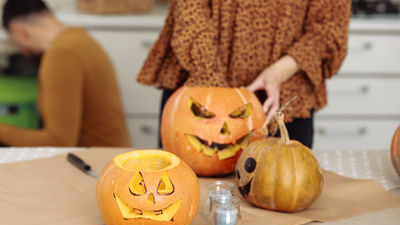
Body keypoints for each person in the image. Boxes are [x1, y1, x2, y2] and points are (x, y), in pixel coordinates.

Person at [137, 0, 351, 149]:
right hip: (199, 85)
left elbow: (330, 27)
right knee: (183, 197)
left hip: (282, 99)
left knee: (280, 196)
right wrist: (217, 93)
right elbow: (191, 12)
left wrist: (277, 73)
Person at [0, 0, 130, 147]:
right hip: (110, 154)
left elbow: (58, 142)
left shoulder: (62, 54)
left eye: (16, 41)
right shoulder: (80, 38)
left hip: (95, 162)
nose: (21, 49)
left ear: (20, 32)